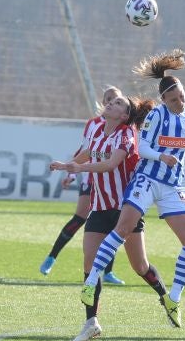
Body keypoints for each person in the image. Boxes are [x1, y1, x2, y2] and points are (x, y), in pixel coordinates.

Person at [78, 49, 185, 327]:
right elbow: (141, 147)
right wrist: (160, 156)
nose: (180, 102)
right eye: (174, 99)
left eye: (182, 96)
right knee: (122, 229)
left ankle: (173, 299)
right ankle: (91, 281)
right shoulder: (156, 116)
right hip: (146, 180)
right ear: (163, 100)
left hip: (172, 187)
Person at [51, 95, 170, 341]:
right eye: (112, 101)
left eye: (118, 104)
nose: (111, 104)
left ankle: (166, 297)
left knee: (140, 267)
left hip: (126, 209)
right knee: (89, 265)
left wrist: (79, 169)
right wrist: (66, 165)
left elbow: (110, 164)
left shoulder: (126, 134)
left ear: (125, 116)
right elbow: (87, 153)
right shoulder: (97, 130)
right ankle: (91, 323)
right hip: (101, 207)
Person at [40, 86, 124, 285]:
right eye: (108, 99)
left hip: (112, 180)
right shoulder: (94, 124)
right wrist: (71, 170)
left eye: (116, 99)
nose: (111, 102)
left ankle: (108, 272)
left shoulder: (124, 128)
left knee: (113, 225)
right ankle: (52, 256)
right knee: (80, 217)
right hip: (90, 176)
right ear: (103, 103)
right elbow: (86, 148)